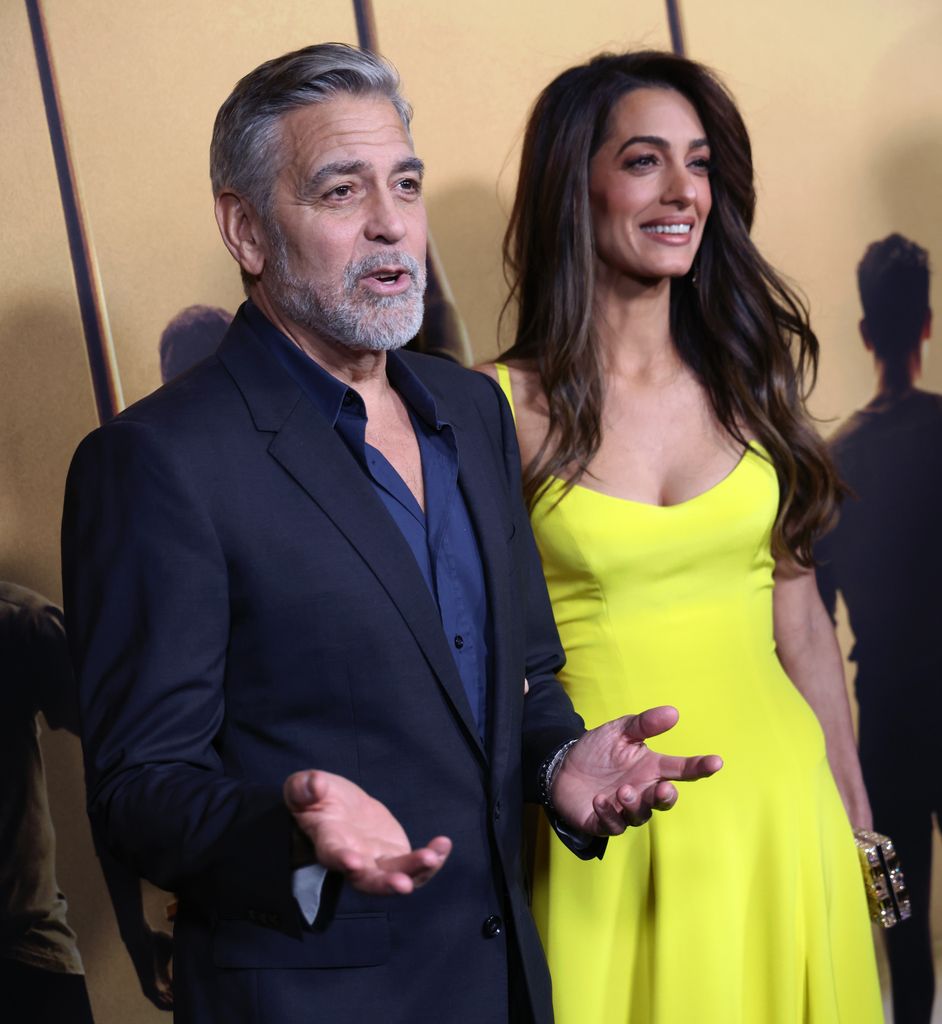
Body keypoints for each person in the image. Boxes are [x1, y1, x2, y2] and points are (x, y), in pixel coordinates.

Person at [61, 43, 722, 1024]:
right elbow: (138, 785)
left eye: (404, 184)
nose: (391, 225)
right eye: (341, 191)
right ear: (247, 229)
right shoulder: (159, 461)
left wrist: (559, 762)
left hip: (502, 989)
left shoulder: (473, 409)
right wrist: (289, 827)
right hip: (311, 998)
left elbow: (527, 673)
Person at [479, 51, 881, 1023]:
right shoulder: (494, 408)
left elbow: (801, 632)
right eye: (645, 161)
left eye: (698, 165)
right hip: (602, 832)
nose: (681, 192)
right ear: (575, 184)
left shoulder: (753, 385)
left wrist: (856, 820)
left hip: (780, 817)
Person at [816, 234, 941, 1024]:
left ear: (865, 332)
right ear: (928, 323)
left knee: (900, 932)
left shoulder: (836, 463)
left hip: (886, 732)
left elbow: (813, 628)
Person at [1, 582, 172, 1023]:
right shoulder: (22, 623)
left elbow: (115, 759)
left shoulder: (23, 626)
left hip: (23, 956)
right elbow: (114, 760)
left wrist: (134, 933)